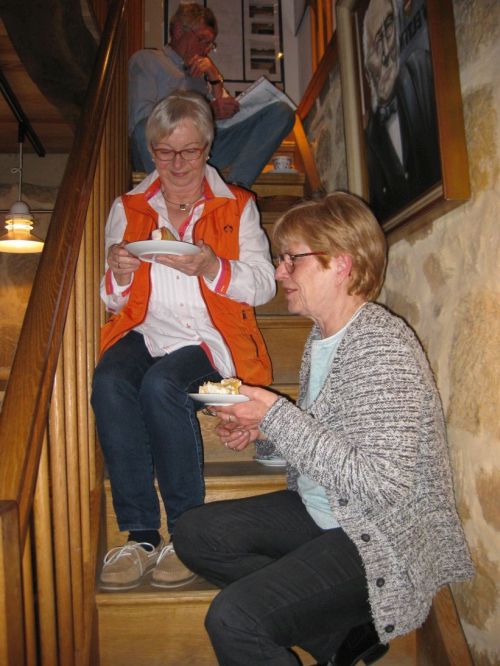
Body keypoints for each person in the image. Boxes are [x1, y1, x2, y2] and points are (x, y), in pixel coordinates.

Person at [173, 192, 474, 665]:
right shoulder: (323, 337)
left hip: (376, 535)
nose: (278, 273)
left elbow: (381, 484)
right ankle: (341, 639)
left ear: (341, 264)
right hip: (323, 511)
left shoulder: (380, 345)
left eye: (292, 259)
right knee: (193, 532)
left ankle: (329, 612)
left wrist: (274, 416)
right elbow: (332, 439)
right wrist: (264, 432)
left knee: (235, 618)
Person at [91, 90, 276, 591]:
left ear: (207, 148)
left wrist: (211, 265)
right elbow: (112, 300)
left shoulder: (237, 206)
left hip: (210, 340)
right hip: (148, 333)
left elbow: (263, 284)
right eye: (165, 151)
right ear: (152, 152)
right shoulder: (128, 207)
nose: (176, 163)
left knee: (161, 388)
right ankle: (141, 534)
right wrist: (119, 271)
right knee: (109, 380)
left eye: (189, 150)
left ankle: (187, 533)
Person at [128, 2, 296, 187]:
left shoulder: (199, 75)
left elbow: (218, 119)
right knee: (143, 129)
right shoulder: (148, 60)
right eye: (201, 40)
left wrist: (215, 77)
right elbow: (141, 118)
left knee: (282, 112)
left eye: (210, 44)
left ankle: (234, 188)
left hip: (203, 147)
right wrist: (208, 111)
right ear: (178, 31)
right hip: (165, 148)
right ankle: (168, 195)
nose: (205, 49)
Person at [362, 0, 441, 220]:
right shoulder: (369, 138)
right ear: (368, 67)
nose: (386, 51)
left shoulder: (423, 71)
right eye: (377, 44)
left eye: (388, 29)